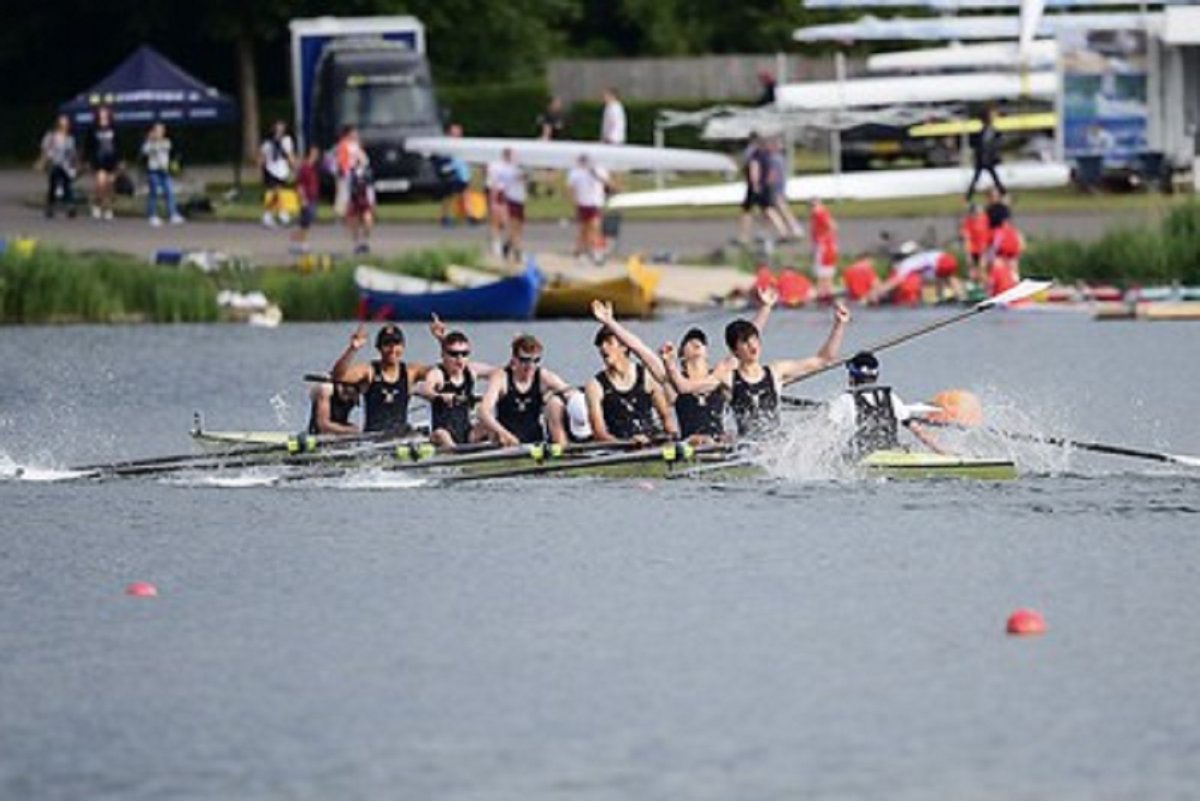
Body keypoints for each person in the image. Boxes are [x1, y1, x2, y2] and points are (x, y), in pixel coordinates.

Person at [590, 288, 777, 443]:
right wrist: (610, 322)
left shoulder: (720, 376)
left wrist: (766, 307)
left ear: (707, 353)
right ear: (681, 356)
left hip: (718, 447)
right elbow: (638, 348)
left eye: (701, 342)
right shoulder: (672, 379)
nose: (697, 343)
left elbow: (747, 340)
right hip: (689, 446)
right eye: (690, 341)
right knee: (699, 440)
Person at [666, 302, 851, 438]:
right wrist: (670, 363)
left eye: (754, 339)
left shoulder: (777, 371)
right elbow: (684, 387)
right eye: (745, 342)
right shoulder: (727, 378)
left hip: (774, 448)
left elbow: (823, 360)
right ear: (734, 351)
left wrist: (839, 325)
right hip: (747, 450)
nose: (752, 346)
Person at [826, 352, 942, 457]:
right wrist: (942, 453)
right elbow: (917, 430)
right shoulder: (890, 396)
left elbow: (828, 434)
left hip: (863, 458)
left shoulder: (844, 400)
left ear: (852, 377)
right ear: (876, 376)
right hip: (892, 453)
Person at [330, 322, 438, 435]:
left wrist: (442, 340)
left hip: (401, 437)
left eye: (396, 344)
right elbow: (338, 376)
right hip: (373, 438)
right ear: (379, 348)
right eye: (387, 344)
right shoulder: (369, 371)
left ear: (403, 346)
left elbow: (439, 372)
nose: (392, 349)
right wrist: (353, 349)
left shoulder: (411, 371)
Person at [586, 326, 678, 443]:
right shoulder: (595, 386)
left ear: (624, 347)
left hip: (652, 443)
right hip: (618, 447)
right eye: (600, 344)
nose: (603, 348)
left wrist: (673, 438)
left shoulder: (647, 376)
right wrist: (627, 443)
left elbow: (666, 417)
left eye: (609, 343)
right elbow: (599, 433)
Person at [478, 334, 573, 446]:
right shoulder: (501, 378)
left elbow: (570, 392)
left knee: (555, 404)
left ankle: (565, 448)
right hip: (508, 443)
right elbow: (483, 411)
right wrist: (504, 434)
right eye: (525, 360)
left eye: (536, 360)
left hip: (536, 442)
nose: (530, 366)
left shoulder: (543, 376)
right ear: (514, 359)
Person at [414, 326, 497, 447]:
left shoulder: (471, 371)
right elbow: (424, 389)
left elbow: (498, 373)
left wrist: (491, 394)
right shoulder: (437, 374)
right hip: (441, 435)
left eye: (464, 354)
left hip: (467, 432)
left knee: (490, 426)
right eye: (454, 354)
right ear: (443, 355)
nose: (460, 359)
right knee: (441, 434)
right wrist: (439, 396)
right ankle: (454, 453)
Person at [867, 246, 962, 305]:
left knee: (945, 276)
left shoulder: (905, 265)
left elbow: (895, 281)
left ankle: (944, 296)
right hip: (946, 257)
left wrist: (877, 293)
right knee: (947, 276)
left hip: (941, 260)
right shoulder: (912, 261)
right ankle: (960, 296)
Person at [737, 133, 787, 246]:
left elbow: (754, 169)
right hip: (767, 186)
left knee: (746, 210)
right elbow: (772, 172)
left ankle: (743, 236)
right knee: (769, 209)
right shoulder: (767, 155)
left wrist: (755, 184)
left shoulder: (755, 155)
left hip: (756, 187)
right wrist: (769, 183)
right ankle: (783, 231)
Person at [567, 154, 611, 264]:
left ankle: (596, 251)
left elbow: (607, 183)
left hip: (595, 203)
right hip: (582, 203)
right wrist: (574, 201)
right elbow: (570, 187)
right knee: (584, 229)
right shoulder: (575, 171)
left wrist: (595, 174)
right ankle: (580, 251)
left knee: (595, 227)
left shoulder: (599, 169)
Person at [36, 115, 78, 219]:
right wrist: (42, 162)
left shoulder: (70, 139)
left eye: (66, 124)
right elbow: (45, 150)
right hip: (53, 163)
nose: (64, 126)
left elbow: (72, 154)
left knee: (67, 185)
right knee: (53, 185)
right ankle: (50, 206)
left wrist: (74, 166)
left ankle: (70, 206)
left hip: (66, 165)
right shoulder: (50, 136)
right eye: (62, 123)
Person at [142, 122, 183, 226]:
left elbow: (162, 152)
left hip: (164, 171)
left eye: (161, 130)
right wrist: (150, 140)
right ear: (153, 131)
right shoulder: (149, 143)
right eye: (157, 130)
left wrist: (154, 142)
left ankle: (173, 214)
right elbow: (145, 151)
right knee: (154, 194)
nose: (159, 132)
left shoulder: (166, 142)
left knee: (169, 193)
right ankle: (153, 216)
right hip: (154, 171)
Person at [259, 120, 296, 228]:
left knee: (277, 195)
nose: (280, 130)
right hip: (271, 170)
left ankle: (268, 216)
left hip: (282, 171)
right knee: (277, 193)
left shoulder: (287, 141)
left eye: (282, 128)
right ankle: (283, 215)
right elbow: (262, 157)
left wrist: (294, 168)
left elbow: (290, 155)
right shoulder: (267, 143)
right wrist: (260, 167)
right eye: (278, 128)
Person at [965, 106, 1005, 201]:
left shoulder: (991, 130)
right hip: (983, 158)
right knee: (985, 178)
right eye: (992, 115)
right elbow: (976, 143)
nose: (994, 117)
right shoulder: (985, 130)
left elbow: (997, 141)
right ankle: (968, 197)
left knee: (990, 178)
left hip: (986, 158)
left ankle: (968, 197)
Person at [86, 106, 119, 221]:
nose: (103, 114)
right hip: (98, 160)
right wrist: (88, 160)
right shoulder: (93, 128)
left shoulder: (113, 127)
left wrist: (120, 161)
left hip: (111, 160)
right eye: (101, 112)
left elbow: (118, 144)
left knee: (109, 185)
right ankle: (97, 205)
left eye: (105, 112)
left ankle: (108, 208)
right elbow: (88, 144)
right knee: (100, 183)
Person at [496, 148, 528, 263]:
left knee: (519, 227)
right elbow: (519, 177)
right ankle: (518, 252)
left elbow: (525, 177)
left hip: (521, 199)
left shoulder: (518, 168)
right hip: (512, 199)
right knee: (514, 227)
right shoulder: (506, 170)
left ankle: (507, 245)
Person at [437, 123, 472, 227]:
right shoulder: (445, 144)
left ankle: (469, 216)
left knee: (465, 195)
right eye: (455, 131)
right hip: (450, 173)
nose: (457, 134)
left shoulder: (464, 144)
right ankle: (445, 217)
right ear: (450, 133)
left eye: (458, 131)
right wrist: (447, 169)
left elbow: (466, 159)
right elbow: (442, 160)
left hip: (463, 174)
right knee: (448, 196)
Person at [291, 145, 321, 254]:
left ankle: (296, 242)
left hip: (313, 198)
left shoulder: (313, 167)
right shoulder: (304, 168)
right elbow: (300, 185)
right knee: (305, 222)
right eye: (314, 153)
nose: (316, 156)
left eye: (317, 153)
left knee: (306, 223)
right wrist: (303, 199)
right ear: (309, 154)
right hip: (306, 199)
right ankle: (301, 244)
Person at [809, 197, 838, 299]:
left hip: (823, 247)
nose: (813, 208)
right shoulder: (819, 214)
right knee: (827, 271)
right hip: (826, 246)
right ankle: (827, 292)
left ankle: (822, 293)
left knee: (821, 272)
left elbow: (832, 226)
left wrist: (824, 238)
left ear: (820, 205)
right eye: (811, 206)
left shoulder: (820, 214)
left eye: (814, 205)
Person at [346, 153, 375, 254]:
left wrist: (372, 202)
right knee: (354, 223)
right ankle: (357, 244)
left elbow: (370, 189)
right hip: (354, 200)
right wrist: (347, 202)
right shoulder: (350, 173)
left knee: (368, 221)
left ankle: (365, 242)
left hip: (364, 200)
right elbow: (348, 188)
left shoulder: (368, 172)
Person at [485, 154, 510, 258]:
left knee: (505, 220)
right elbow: (491, 179)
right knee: (496, 219)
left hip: (505, 190)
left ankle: (504, 244)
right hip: (496, 190)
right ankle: (496, 245)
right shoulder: (493, 163)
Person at [961, 202, 991, 286]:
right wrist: (968, 253)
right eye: (977, 211)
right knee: (972, 269)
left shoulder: (985, 219)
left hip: (983, 249)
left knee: (982, 268)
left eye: (980, 211)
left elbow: (988, 233)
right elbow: (966, 237)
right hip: (972, 249)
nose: (979, 213)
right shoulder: (968, 221)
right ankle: (974, 286)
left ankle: (985, 286)